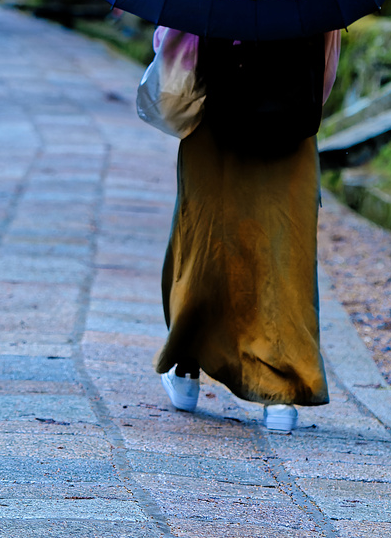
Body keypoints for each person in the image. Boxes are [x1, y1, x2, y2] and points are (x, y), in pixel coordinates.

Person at [137, 25, 342, 432]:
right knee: (283, 256)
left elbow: (177, 59)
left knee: (205, 248)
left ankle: (187, 367)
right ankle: (279, 394)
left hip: (217, 124)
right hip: (289, 129)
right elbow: (324, 77)